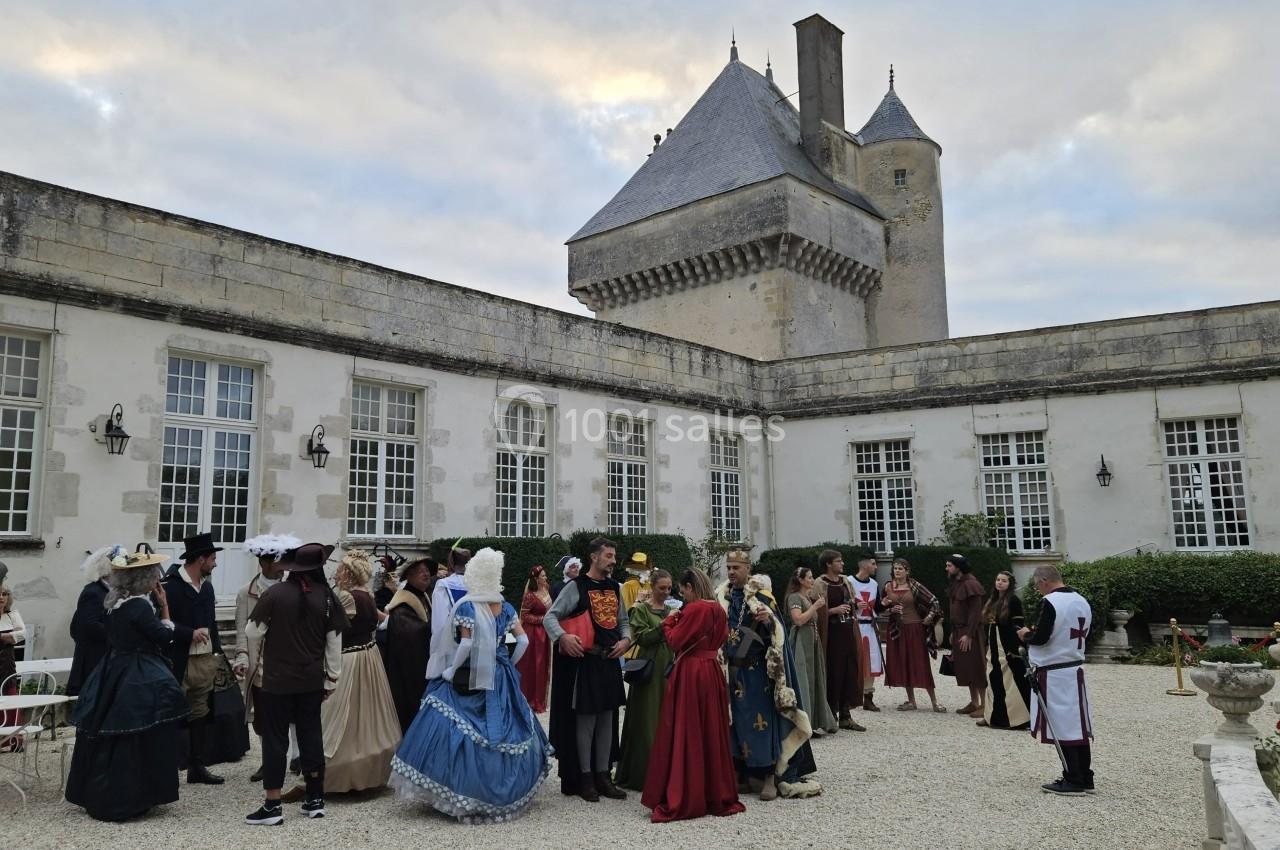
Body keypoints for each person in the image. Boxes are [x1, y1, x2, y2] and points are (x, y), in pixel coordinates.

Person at [389, 548, 553, 822]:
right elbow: (523, 641)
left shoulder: (468, 605)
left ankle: (462, 788)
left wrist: (451, 670)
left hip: (469, 673)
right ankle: (503, 787)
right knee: (509, 724)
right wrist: (507, 663)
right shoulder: (505, 606)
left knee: (452, 721)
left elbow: (465, 644)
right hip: (500, 673)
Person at [64, 549, 190, 821]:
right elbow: (162, 637)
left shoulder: (114, 602)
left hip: (112, 669)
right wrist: (165, 609)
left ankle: (101, 792)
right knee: (139, 730)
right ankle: (129, 797)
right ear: (144, 579)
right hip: (137, 674)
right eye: (154, 575)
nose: (157, 580)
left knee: (112, 730)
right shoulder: (138, 606)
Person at [243, 542, 349, 825]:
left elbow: (252, 632)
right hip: (312, 680)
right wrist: (332, 679)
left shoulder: (274, 594)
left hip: (277, 680)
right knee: (311, 735)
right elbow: (334, 642)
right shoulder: (328, 597)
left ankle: (273, 805)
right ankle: (315, 799)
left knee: (275, 739)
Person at [641, 567, 744, 822]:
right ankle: (713, 790)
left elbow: (675, 641)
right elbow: (722, 638)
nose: (682, 595)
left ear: (690, 587)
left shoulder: (695, 608)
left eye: (683, 590)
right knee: (711, 729)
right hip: (710, 669)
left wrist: (669, 622)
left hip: (691, 672)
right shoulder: (717, 609)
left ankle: (688, 791)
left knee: (687, 728)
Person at [717, 549, 821, 801]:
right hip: (733, 670)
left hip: (759, 672)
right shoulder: (722, 597)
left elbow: (778, 633)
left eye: (736, 567)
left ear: (748, 569)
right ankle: (742, 773)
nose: (731, 572)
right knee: (736, 722)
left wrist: (767, 621)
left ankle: (770, 777)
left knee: (763, 724)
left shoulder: (762, 597)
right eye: (729, 567)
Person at [543, 536, 632, 801]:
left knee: (607, 719)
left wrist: (626, 640)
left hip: (609, 662)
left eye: (614, 556)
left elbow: (623, 621)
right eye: (608, 556)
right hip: (586, 663)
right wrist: (563, 637)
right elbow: (550, 617)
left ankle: (603, 776)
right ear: (594, 557)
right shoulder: (576, 586)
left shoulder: (615, 588)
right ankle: (585, 778)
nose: (613, 561)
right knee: (586, 720)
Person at [321, 549, 401, 793]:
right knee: (370, 711)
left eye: (340, 569)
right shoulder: (366, 593)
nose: (336, 573)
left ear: (348, 573)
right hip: (370, 654)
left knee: (345, 712)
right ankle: (375, 767)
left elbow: (335, 631)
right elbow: (383, 618)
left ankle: (340, 771)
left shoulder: (346, 596)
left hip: (351, 657)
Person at [1018, 565, 1094, 795]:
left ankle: (1073, 779)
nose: (1037, 589)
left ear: (1044, 581)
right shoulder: (1081, 600)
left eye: (1036, 585)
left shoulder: (1051, 602)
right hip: (1074, 667)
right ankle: (1085, 776)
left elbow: (1041, 637)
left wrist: (1025, 635)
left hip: (1055, 671)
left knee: (1063, 726)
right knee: (1077, 724)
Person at [161, 531, 226, 785]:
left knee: (200, 711)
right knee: (170, 712)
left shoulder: (207, 588)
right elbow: (161, 624)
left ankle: (196, 766)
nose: (215, 564)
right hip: (177, 661)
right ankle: (165, 768)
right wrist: (189, 633)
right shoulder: (170, 587)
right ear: (200, 559)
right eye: (212, 559)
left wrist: (217, 653)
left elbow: (212, 623)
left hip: (204, 661)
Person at [236, 533, 300, 783]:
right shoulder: (246, 592)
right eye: (277, 561)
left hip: (290, 660)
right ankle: (269, 760)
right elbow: (242, 629)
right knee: (263, 715)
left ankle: (296, 755)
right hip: (260, 663)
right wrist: (242, 656)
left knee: (293, 711)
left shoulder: (294, 588)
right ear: (264, 563)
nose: (282, 566)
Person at [614, 568, 676, 791]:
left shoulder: (671, 610)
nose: (666, 592)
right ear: (652, 586)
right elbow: (642, 638)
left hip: (669, 667)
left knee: (667, 720)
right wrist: (665, 624)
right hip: (650, 669)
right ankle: (644, 775)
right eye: (662, 588)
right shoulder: (640, 610)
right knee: (646, 721)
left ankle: (667, 773)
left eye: (669, 588)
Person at [881, 558, 946, 712]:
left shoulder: (914, 585)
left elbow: (934, 602)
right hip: (897, 629)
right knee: (903, 663)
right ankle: (911, 701)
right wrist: (889, 609)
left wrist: (929, 617)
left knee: (921, 663)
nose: (897, 571)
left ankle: (934, 702)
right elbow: (881, 609)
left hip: (915, 629)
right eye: (895, 568)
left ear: (907, 571)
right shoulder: (888, 587)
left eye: (901, 568)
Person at [784, 567, 836, 735]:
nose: (812, 580)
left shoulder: (805, 597)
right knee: (803, 679)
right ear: (800, 580)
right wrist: (815, 606)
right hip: (801, 642)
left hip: (812, 642)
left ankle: (813, 721)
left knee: (814, 679)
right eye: (809, 577)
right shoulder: (794, 597)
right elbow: (798, 620)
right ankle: (802, 724)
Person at [383, 557, 433, 733]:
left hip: (421, 661)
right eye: (421, 572)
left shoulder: (422, 595)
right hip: (408, 667)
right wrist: (434, 628)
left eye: (427, 571)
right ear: (409, 576)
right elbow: (409, 632)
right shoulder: (402, 603)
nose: (426, 574)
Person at [816, 549, 863, 731]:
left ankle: (845, 715)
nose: (842, 563)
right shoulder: (820, 584)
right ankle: (830, 715)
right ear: (828, 564)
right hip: (831, 635)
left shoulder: (845, 582)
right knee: (833, 673)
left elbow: (851, 603)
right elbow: (814, 611)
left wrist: (854, 605)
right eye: (838, 561)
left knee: (849, 672)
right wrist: (832, 611)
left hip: (847, 632)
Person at [979, 571, 1031, 730]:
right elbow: (989, 626)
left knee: (1011, 681)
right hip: (994, 644)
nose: (1000, 583)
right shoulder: (993, 599)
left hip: (1007, 646)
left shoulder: (1013, 601)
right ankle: (991, 716)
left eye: (1004, 581)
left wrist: (1016, 649)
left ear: (1010, 584)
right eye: (998, 579)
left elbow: (1018, 625)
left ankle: (1018, 719)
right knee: (993, 678)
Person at [67, 546, 118, 697]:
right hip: (93, 659)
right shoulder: (93, 592)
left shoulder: (112, 592)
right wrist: (117, 635)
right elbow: (89, 624)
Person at [946, 554, 986, 717]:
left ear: (958, 567)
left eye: (949, 565)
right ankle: (974, 702)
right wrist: (953, 631)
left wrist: (969, 634)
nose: (947, 568)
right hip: (959, 630)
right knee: (966, 668)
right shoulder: (957, 583)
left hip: (970, 632)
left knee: (976, 666)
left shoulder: (971, 584)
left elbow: (975, 612)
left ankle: (984, 704)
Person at [426, 545, 472, 680]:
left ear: (451, 563)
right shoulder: (477, 585)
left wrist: (435, 652)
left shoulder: (443, 585)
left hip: (451, 646)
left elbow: (439, 625)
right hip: (475, 647)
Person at [515, 564, 552, 713]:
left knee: (543, 665)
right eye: (543, 576)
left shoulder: (546, 588)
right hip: (533, 634)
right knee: (533, 665)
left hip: (545, 633)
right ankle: (531, 699)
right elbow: (524, 616)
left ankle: (541, 698)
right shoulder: (530, 596)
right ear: (536, 579)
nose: (545, 577)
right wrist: (542, 619)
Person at [849, 557, 884, 711]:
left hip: (870, 627)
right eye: (873, 564)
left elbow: (877, 607)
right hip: (854, 626)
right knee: (854, 661)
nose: (876, 567)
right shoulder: (849, 582)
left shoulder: (874, 584)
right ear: (864, 565)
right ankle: (850, 697)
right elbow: (841, 602)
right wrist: (855, 605)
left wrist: (885, 604)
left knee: (872, 661)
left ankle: (868, 698)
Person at [0, 583, 25, 742]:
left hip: (7, 664)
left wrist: (4, 637)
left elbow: (22, 633)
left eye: (4, 594)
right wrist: (8, 637)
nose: (1, 597)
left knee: (10, 698)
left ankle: (13, 740)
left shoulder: (12, 615)